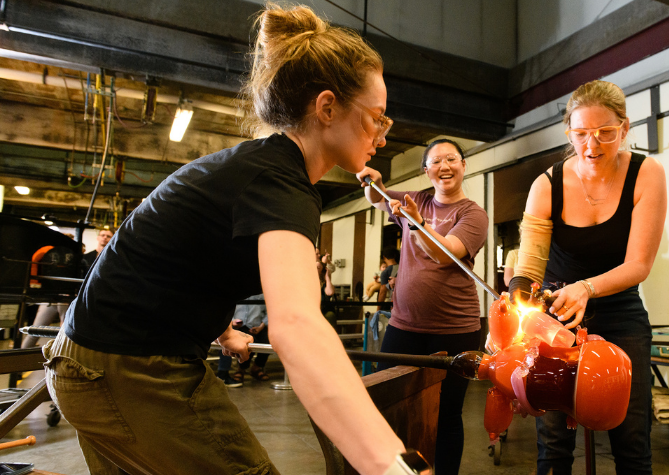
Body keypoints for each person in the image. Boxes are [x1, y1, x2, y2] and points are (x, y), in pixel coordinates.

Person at [43, 5, 413, 474]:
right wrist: (392, 464)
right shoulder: (280, 183)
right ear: (327, 107)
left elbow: (189, 259)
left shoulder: (262, 168)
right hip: (123, 364)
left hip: (95, 355)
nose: (382, 136)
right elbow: (297, 326)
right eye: (376, 118)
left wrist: (223, 330)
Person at [508, 80, 667, 475]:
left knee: (632, 437)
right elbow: (530, 265)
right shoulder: (547, 184)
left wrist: (587, 288)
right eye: (580, 134)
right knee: (554, 441)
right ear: (569, 133)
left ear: (624, 128)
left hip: (620, 311)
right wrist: (518, 296)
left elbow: (639, 265)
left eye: (605, 132)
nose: (592, 145)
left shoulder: (646, 173)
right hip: (558, 315)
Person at [357, 138, 489, 475]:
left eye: (452, 159)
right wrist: (373, 182)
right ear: (426, 170)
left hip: (455, 329)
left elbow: (444, 254)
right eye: (436, 161)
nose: (445, 166)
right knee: (388, 403)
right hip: (404, 325)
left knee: (446, 413)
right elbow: (377, 199)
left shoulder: (472, 213)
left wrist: (417, 224)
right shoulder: (416, 199)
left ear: (463, 166)